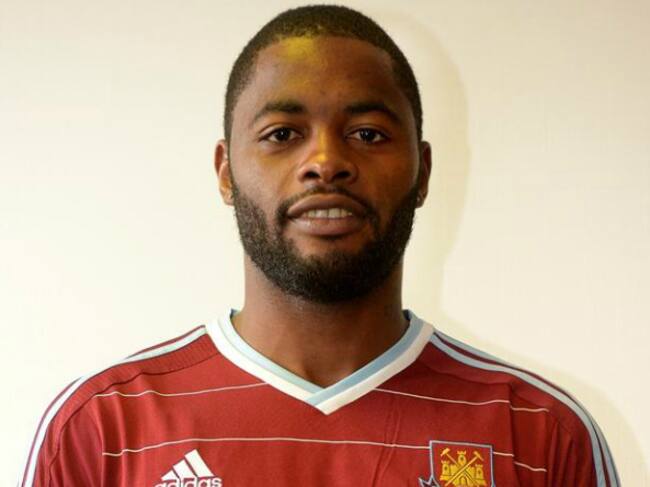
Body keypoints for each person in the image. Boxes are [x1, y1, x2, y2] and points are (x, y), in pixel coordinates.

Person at [19, 5, 619, 487]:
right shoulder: (101, 429)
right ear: (226, 173)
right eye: (282, 134)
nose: (326, 162)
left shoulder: (542, 434)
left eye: (368, 134)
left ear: (423, 172)